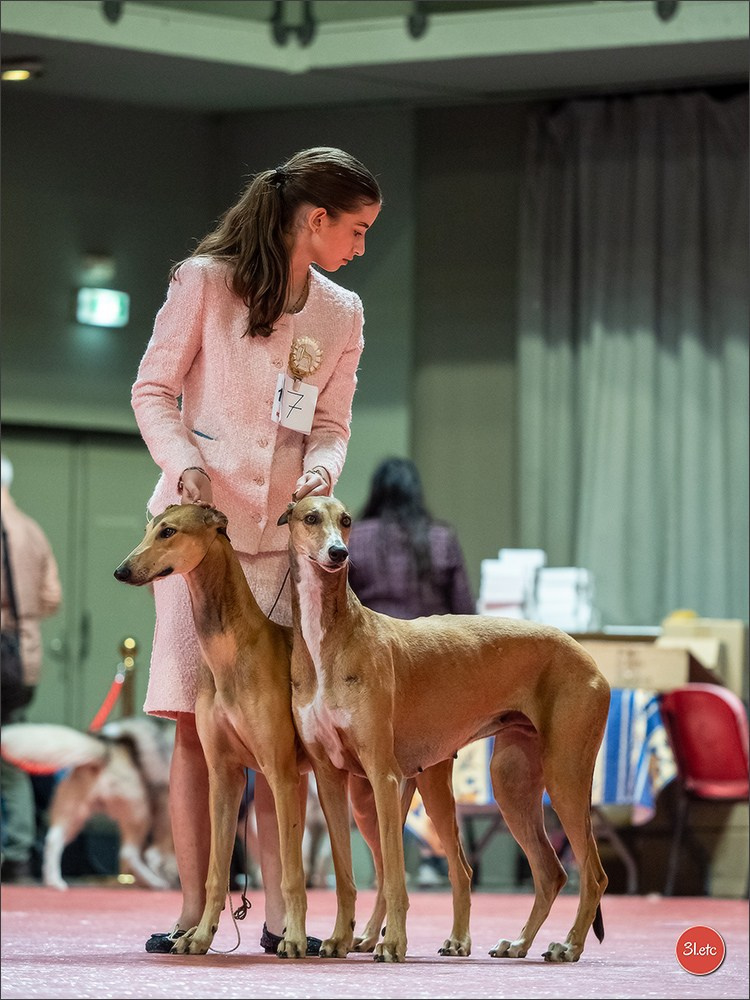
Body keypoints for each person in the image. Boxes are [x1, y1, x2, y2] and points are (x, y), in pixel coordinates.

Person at [131, 146, 382, 954]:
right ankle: (190, 914)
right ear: (314, 221)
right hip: (196, 537)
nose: (362, 246)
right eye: (357, 229)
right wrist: (186, 464)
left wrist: (320, 468)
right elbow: (152, 390)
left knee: (290, 734)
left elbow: (334, 425)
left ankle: (283, 919)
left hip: (283, 548)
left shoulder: (343, 312)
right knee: (191, 726)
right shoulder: (203, 281)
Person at [346, 456, 475, 887]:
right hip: (430, 670)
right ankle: (435, 852)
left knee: (368, 777)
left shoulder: (355, 540)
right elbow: (465, 618)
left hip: (369, 672)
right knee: (433, 773)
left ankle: (385, 867)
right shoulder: (441, 539)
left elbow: (343, 612)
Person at [0, 453, 63, 883]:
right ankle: (19, 852)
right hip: (21, 657)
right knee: (10, 755)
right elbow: (52, 597)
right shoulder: (31, 531)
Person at [347, 456, 475, 620]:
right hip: (432, 641)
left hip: (372, 640)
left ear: (376, 493)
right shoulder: (441, 538)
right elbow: (464, 610)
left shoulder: (354, 537)